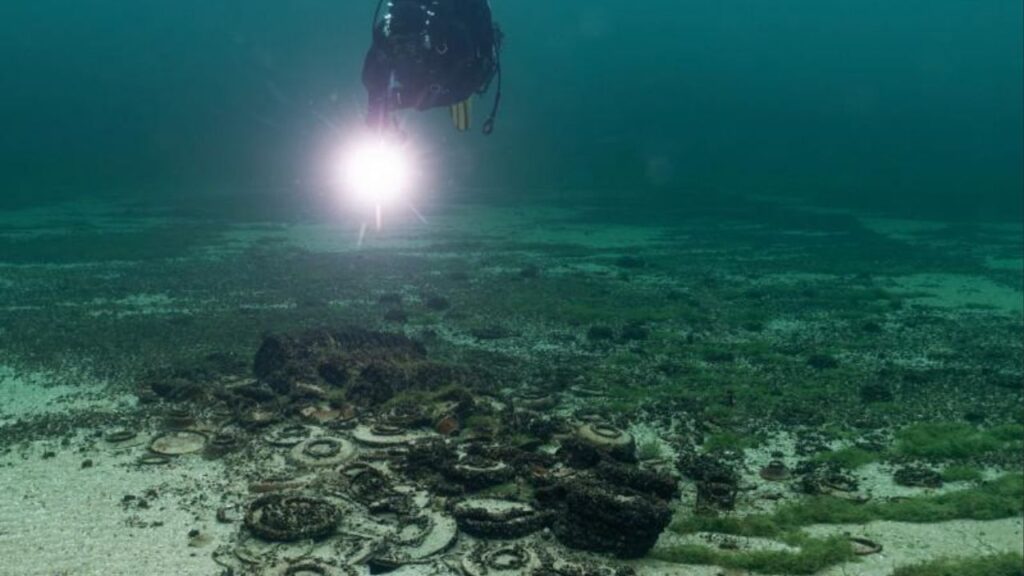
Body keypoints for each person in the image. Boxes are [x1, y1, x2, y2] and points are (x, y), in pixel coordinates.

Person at [362, 0, 503, 135]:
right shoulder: (385, 33)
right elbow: (371, 73)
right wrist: (376, 108)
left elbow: (468, 83)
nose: (403, 47)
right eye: (398, 44)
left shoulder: (453, 36)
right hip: (429, 71)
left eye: (408, 46)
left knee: (462, 78)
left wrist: (406, 99)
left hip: (452, 73)